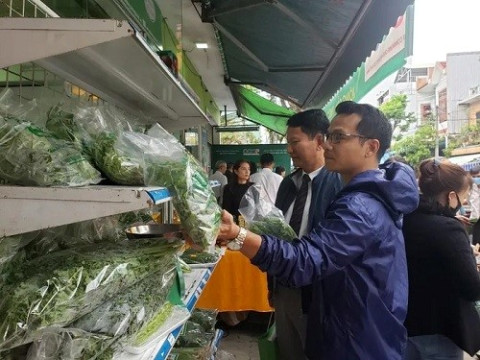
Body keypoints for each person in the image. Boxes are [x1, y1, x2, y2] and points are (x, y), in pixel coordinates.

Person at [217, 101, 419, 360]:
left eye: (338, 137)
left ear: (371, 147)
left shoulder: (360, 207)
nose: (326, 145)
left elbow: (306, 259)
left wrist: (237, 235)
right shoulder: (356, 194)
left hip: (355, 336)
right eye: (327, 137)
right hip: (342, 318)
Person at [271, 109, 343, 360]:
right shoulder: (289, 184)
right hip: (283, 286)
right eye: (288, 143)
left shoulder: (338, 185)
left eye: (295, 142)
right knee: (288, 350)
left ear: (319, 141)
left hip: (317, 293)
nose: (290, 150)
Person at [402, 158, 480, 360]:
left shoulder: (404, 219)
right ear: (451, 196)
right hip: (439, 334)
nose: (463, 204)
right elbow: (472, 287)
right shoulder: (448, 228)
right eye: (464, 197)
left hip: (402, 329)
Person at [222, 159, 253, 224]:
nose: (247, 172)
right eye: (243, 169)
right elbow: (226, 209)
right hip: (234, 224)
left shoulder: (253, 187)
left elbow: (257, 208)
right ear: (236, 171)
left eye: (249, 169)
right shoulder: (228, 188)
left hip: (250, 225)